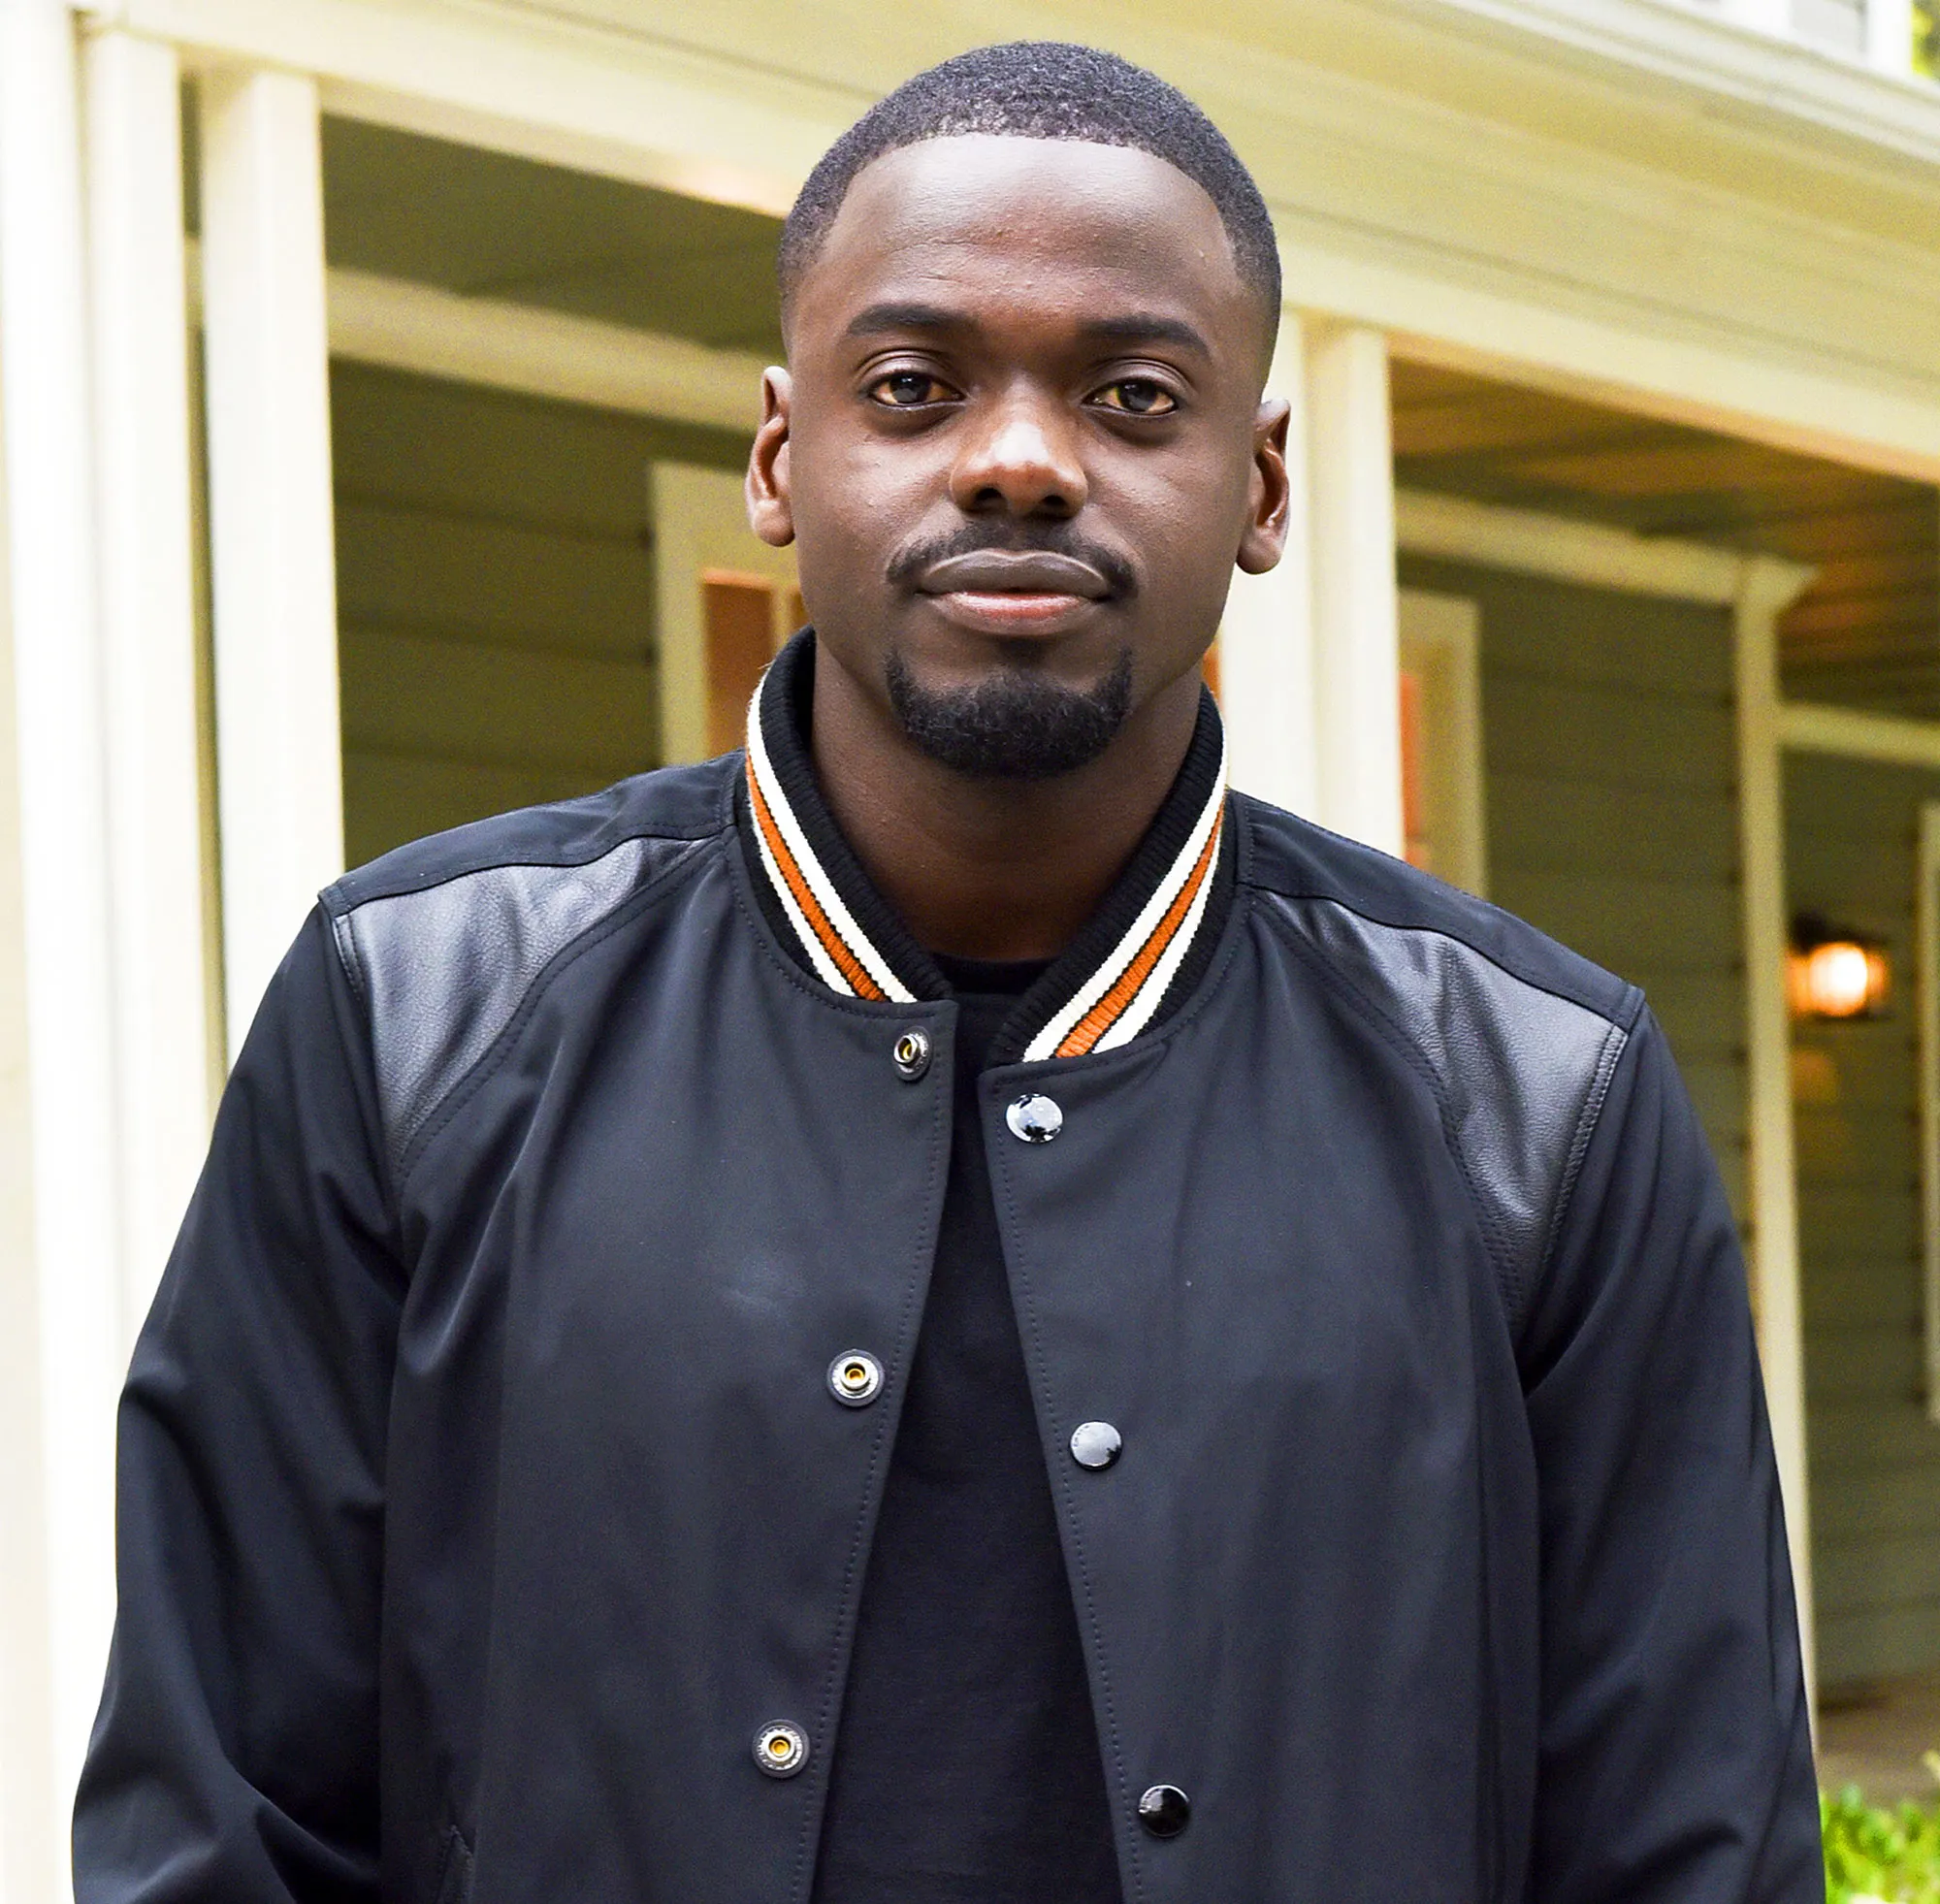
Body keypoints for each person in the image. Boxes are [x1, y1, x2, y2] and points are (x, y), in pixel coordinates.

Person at [75, 40, 1822, 1904]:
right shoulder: (411, 1008)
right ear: (779, 455)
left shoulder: (1541, 1096)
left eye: (1134, 396)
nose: (1019, 461)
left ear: (1260, 484)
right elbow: (225, 1822)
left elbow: (1689, 1854)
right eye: (913, 386)